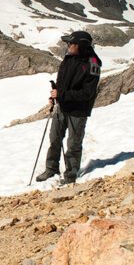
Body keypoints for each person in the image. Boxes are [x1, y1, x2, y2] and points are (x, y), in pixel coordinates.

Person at [36, 30, 102, 186]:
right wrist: (55, 95)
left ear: (80, 45)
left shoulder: (93, 63)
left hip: (78, 110)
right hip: (62, 106)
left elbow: (87, 93)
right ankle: (51, 169)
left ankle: (71, 173)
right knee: (54, 138)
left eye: (71, 43)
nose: (68, 46)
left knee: (73, 143)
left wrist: (61, 93)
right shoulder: (69, 57)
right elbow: (62, 81)